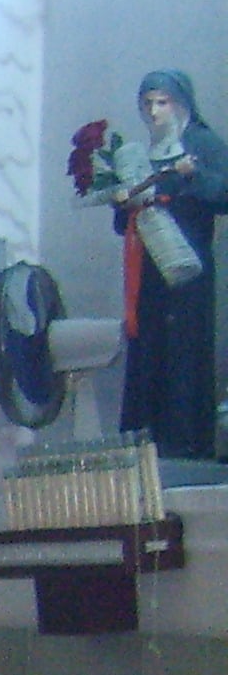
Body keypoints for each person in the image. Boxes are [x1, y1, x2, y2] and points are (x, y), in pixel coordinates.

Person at [115, 69, 227, 462]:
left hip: (188, 267)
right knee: (149, 349)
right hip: (149, 270)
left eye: (162, 102)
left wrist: (194, 175)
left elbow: (223, 193)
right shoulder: (144, 152)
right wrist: (124, 202)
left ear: (181, 104)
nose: (154, 111)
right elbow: (126, 219)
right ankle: (146, 440)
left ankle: (185, 442)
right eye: (147, 103)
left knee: (184, 350)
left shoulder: (202, 143)